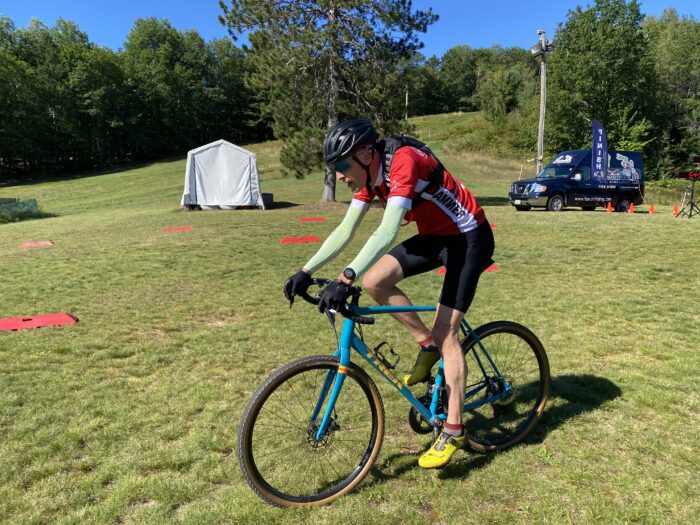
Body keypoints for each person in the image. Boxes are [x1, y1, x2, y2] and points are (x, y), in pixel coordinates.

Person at [284, 119, 494, 469]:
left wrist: (345, 275)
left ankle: (454, 429)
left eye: (341, 165)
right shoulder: (370, 177)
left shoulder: (403, 161)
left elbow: (387, 229)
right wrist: (306, 270)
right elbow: (346, 228)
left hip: (469, 237)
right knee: (375, 282)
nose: (338, 175)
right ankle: (426, 345)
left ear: (366, 154)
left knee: (448, 335)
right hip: (437, 237)